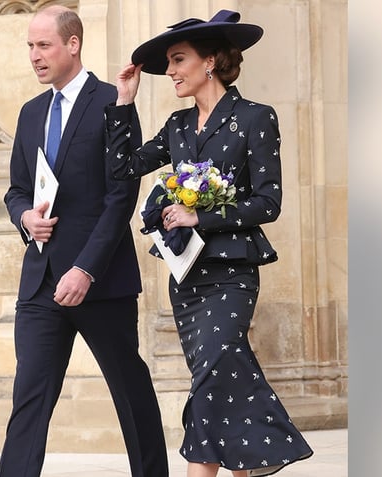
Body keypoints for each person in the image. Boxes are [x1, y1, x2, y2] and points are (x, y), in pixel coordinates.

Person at [105, 9, 314, 477]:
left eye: (179, 60)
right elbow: (122, 169)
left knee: (212, 375)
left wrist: (200, 213)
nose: (172, 71)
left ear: (211, 62)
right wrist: (124, 102)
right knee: (216, 382)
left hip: (233, 273)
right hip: (187, 279)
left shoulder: (256, 118)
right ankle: (249, 464)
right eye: (170, 63)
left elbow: (268, 203)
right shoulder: (177, 126)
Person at [0, 6, 169, 477]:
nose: (34, 56)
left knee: (129, 392)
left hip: (101, 280)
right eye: (30, 47)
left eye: (43, 45)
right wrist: (25, 218)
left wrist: (86, 269)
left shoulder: (112, 101)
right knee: (28, 400)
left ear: (72, 44)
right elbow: (16, 189)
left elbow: (121, 196)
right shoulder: (31, 113)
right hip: (39, 284)